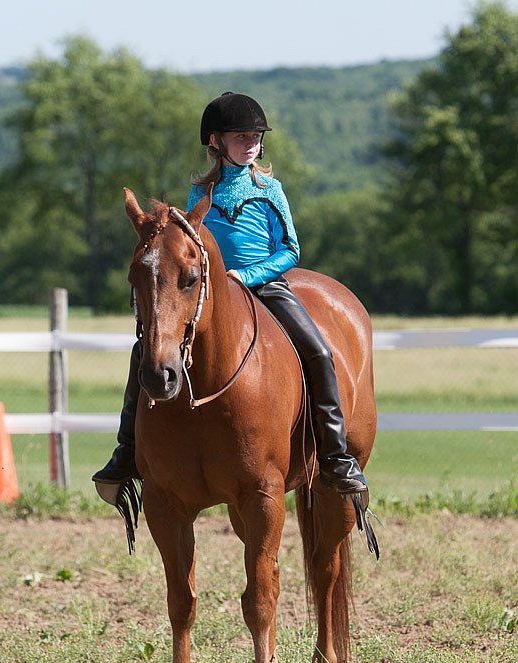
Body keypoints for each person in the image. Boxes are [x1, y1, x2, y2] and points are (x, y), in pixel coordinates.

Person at [93, 92, 367, 501]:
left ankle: (335, 454)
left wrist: (247, 274)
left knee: (318, 351)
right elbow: (189, 245)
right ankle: (127, 450)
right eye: (241, 136)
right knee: (144, 351)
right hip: (212, 293)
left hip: (266, 286)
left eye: (256, 136)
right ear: (215, 143)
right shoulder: (199, 192)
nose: (252, 143)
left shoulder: (270, 189)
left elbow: (291, 249)